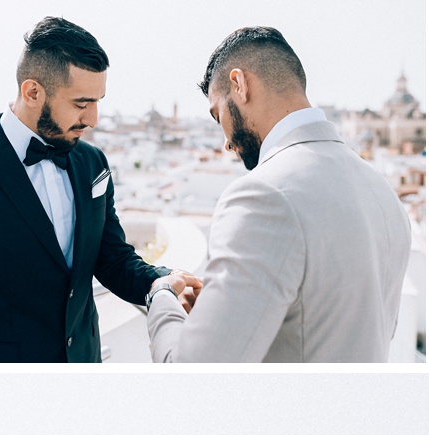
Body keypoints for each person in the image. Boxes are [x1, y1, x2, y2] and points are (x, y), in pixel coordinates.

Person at [0, 17, 200, 362]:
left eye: (97, 101)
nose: (93, 119)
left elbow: (110, 257)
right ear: (32, 92)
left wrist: (159, 280)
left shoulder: (92, 163)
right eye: (81, 103)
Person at [146, 27, 411, 363]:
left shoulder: (263, 195)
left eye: (218, 115)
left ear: (239, 85)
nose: (226, 142)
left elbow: (192, 373)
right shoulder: (380, 189)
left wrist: (161, 298)